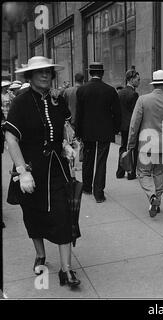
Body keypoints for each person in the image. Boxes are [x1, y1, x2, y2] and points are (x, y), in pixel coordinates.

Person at [3, 56, 80, 287]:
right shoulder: (21, 102)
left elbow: (67, 128)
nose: (45, 75)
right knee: (33, 215)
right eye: (40, 72)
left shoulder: (58, 100)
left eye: (48, 71)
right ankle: (40, 254)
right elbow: (11, 137)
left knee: (64, 216)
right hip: (31, 169)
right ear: (30, 76)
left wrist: (68, 144)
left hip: (57, 169)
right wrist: (21, 171)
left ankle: (66, 270)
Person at [127, 70, 163, 217]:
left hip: (146, 144)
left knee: (143, 173)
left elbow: (134, 124)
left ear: (154, 84)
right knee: (161, 174)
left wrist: (130, 144)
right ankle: (157, 200)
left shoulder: (143, 100)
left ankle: (152, 196)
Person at [75, 62, 121, 203]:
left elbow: (79, 114)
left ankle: (87, 187)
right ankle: (99, 193)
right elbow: (117, 113)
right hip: (104, 131)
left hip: (87, 131)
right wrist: (115, 129)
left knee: (88, 159)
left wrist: (78, 132)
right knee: (101, 162)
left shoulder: (82, 90)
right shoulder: (110, 90)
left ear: (90, 73)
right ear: (102, 73)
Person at [116, 69, 140, 180]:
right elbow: (135, 113)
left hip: (123, 125)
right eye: (137, 79)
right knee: (132, 149)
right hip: (131, 125)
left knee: (123, 147)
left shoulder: (120, 93)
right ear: (131, 79)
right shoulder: (134, 94)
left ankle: (120, 172)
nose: (139, 81)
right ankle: (131, 173)